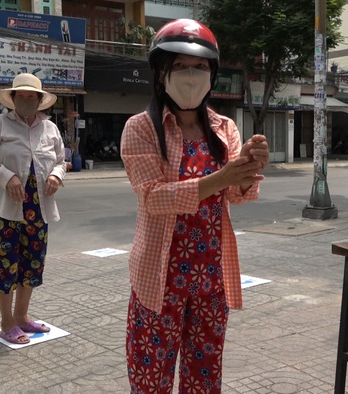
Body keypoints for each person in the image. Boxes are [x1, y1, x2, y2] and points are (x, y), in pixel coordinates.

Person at [120, 19, 269, 392]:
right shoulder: (140, 128)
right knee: (151, 378)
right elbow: (153, 197)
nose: (191, 76)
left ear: (212, 74)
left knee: (204, 377)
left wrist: (250, 169)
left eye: (200, 67)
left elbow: (237, 195)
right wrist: (222, 178)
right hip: (159, 279)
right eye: (180, 66)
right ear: (159, 72)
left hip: (210, 279)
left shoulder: (224, 130)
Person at [0, 73, 66, 345]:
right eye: (21, 96)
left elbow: (61, 160)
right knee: (5, 266)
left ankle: (23, 317)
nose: (26, 100)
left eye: (31, 96)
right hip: (5, 210)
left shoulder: (50, 128)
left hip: (39, 209)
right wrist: (7, 176)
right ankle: (6, 323)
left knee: (32, 265)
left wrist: (57, 175)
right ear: (13, 99)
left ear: (39, 100)